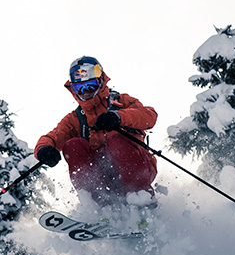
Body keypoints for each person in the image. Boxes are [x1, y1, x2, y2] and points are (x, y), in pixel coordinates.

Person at [34, 56, 159, 207]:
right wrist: (44, 149)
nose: (85, 92)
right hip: (103, 177)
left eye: (90, 86)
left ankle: (141, 201)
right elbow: (53, 137)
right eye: (79, 88)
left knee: (117, 142)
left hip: (136, 169)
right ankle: (98, 207)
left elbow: (149, 116)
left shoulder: (121, 102)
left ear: (100, 82)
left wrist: (118, 117)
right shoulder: (76, 118)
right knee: (73, 145)